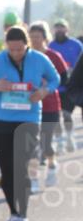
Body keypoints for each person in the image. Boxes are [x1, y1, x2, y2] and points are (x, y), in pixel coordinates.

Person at [0, 26, 59, 221]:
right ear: (7, 46)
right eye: (12, 50)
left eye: (20, 49)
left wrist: (44, 91)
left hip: (28, 120)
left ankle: (24, 216)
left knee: (22, 169)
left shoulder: (39, 59)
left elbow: (56, 79)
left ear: (26, 44)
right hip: (2, 121)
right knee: (7, 173)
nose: (16, 53)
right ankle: (14, 213)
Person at [28, 22, 69, 189]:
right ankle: (33, 180)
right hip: (30, 106)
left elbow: (64, 78)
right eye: (31, 37)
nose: (35, 40)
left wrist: (48, 86)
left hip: (50, 106)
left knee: (45, 144)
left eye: (37, 37)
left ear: (45, 38)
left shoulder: (53, 56)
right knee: (30, 145)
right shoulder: (26, 56)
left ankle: (52, 166)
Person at [49, 19, 83, 152]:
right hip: (55, 87)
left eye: (62, 27)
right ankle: (59, 140)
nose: (59, 30)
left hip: (71, 87)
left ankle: (69, 136)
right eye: (57, 27)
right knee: (57, 116)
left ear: (67, 29)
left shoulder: (76, 45)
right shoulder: (51, 46)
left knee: (67, 115)